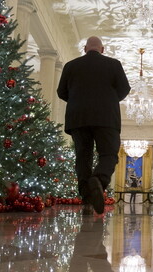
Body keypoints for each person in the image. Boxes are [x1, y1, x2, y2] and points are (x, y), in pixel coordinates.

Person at [57, 36, 131, 214]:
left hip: (78, 118)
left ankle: (86, 196)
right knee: (109, 154)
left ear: (85, 48)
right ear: (102, 49)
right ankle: (98, 179)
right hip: (106, 117)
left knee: (83, 156)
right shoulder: (113, 64)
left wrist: (77, 100)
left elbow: (61, 92)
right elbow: (124, 89)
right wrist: (110, 100)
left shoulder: (71, 65)